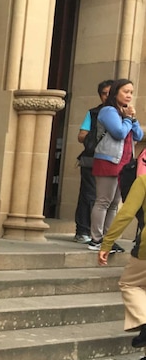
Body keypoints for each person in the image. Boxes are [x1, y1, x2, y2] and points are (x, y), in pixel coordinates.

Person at [87, 78, 143, 252]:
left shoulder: (125, 112)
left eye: (131, 92)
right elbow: (118, 133)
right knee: (103, 200)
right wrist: (127, 119)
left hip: (124, 163)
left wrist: (132, 118)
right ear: (116, 92)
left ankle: (108, 238)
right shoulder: (108, 111)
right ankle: (96, 239)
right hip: (108, 160)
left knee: (114, 203)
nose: (129, 95)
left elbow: (139, 136)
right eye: (125, 91)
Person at [98, 172, 146, 360]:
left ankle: (144, 322)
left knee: (130, 283)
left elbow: (126, 214)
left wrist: (107, 243)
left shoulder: (143, 180)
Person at [74, 79, 113, 243]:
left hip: (112, 162)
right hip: (92, 159)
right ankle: (83, 230)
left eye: (110, 93)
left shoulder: (123, 114)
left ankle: (103, 234)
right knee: (89, 195)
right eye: (104, 93)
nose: (107, 97)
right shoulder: (93, 113)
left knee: (109, 200)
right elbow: (81, 136)